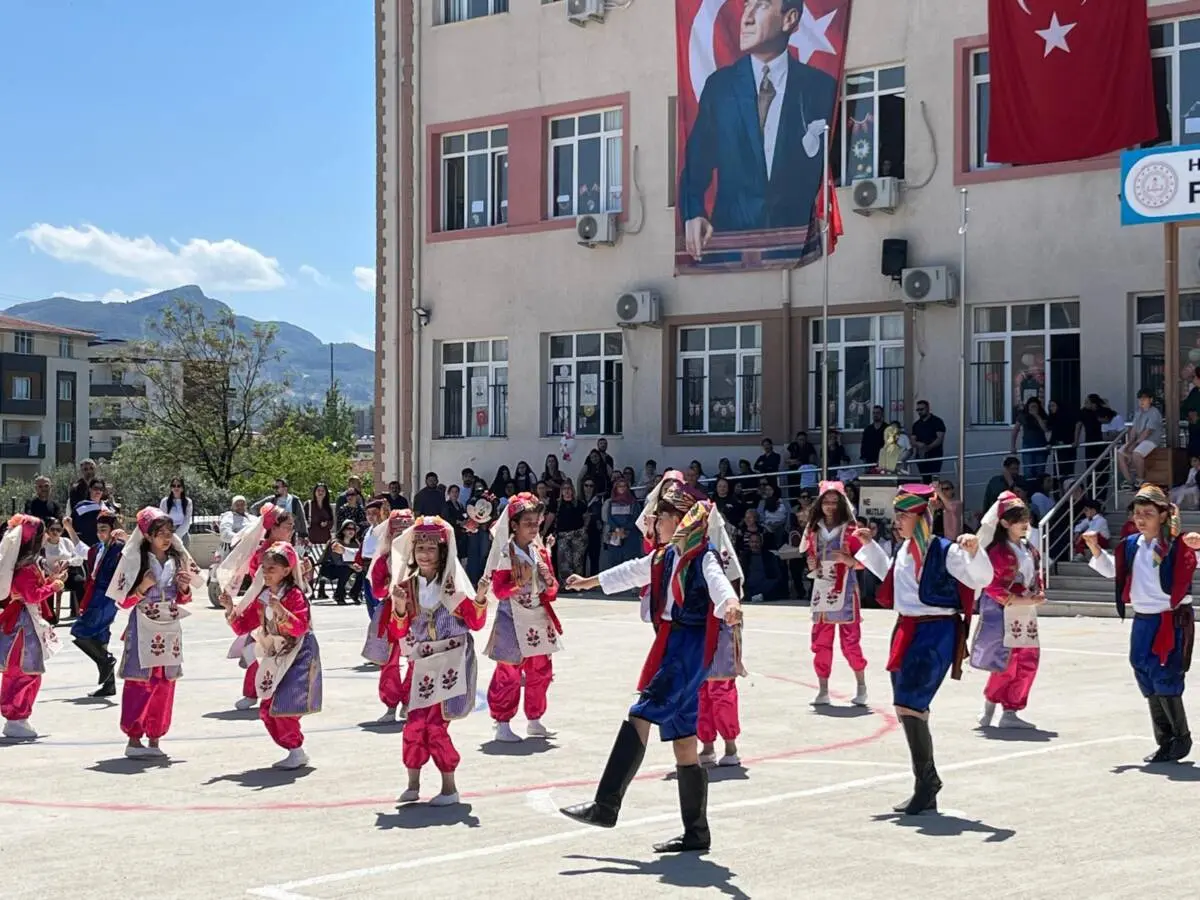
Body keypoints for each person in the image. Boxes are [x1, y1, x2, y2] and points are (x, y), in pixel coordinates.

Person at [560, 482, 742, 853]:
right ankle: (697, 832)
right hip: (673, 646)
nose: (654, 522)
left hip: (687, 649)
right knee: (684, 743)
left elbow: (720, 583)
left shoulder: (701, 555)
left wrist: (732, 604)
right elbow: (631, 571)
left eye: (660, 517)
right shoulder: (667, 556)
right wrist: (588, 581)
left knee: (640, 713)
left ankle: (606, 804)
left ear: (678, 520)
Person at [854, 484, 994, 815]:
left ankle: (926, 784)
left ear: (920, 518)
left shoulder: (946, 551)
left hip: (935, 631)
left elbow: (982, 579)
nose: (897, 521)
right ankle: (926, 783)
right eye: (897, 515)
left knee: (910, 703)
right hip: (906, 629)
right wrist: (869, 546)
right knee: (906, 706)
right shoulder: (904, 552)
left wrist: (975, 551)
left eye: (903, 515)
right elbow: (892, 579)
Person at [678, 0, 836, 259]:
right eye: (746, 5)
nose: (746, 18)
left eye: (761, 5)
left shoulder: (819, 88)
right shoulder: (720, 88)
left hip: (798, 245)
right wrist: (693, 211)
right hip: (731, 245)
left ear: (789, 19)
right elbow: (696, 163)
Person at [1084, 484, 1200, 763]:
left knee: (1165, 674)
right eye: (1137, 513)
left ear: (1163, 515)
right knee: (1142, 670)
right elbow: (1116, 572)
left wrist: (1197, 546)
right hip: (1143, 619)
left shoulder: (1177, 544)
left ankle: (1180, 738)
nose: (1141, 518)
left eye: (1148, 512)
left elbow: (1192, 561)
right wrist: (1096, 549)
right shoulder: (1131, 544)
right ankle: (1164, 740)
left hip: (1169, 619)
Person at [388, 516, 487, 806]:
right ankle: (413, 783)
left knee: (436, 726)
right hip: (424, 662)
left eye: (431, 548)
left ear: (443, 552)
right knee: (414, 725)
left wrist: (479, 598)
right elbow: (398, 631)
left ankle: (449, 787)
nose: (425, 554)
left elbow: (475, 623)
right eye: (420, 548)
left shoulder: (452, 585)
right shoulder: (406, 587)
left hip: (453, 659)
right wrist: (399, 606)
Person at [108, 508, 202, 759]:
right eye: (160, 533)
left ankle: (155, 737)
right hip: (143, 623)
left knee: (165, 681)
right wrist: (142, 587)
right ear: (148, 536)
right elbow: (122, 602)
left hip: (169, 625)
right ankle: (134, 737)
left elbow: (186, 596)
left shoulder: (177, 559)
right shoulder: (135, 561)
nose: (166, 537)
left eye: (169, 532)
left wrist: (183, 587)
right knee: (141, 680)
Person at [222, 542, 322, 770]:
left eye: (271, 568)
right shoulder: (264, 596)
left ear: (286, 570)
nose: (266, 572)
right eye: (263, 568)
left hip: (299, 654)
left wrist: (281, 611)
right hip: (276, 654)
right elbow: (243, 626)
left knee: (283, 706)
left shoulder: (295, 595)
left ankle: (296, 750)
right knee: (267, 707)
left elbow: (299, 628)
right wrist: (230, 608)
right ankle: (294, 749)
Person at [482, 493, 562, 743]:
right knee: (509, 671)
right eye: (527, 522)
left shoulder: (540, 552)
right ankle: (502, 721)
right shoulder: (506, 553)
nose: (533, 527)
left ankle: (535, 719)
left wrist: (550, 583)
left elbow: (552, 589)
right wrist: (520, 584)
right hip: (512, 617)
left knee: (541, 670)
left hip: (538, 616)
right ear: (514, 525)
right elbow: (499, 590)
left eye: (536, 522)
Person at [971, 492, 1046, 730]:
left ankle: (1012, 710)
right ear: (1004, 523)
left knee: (1028, 661)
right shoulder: (997, 551)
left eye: (1026, 519)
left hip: (1025, 611)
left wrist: (1038, 592)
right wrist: (1020, 599)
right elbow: (991, 586)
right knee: (1006, 662)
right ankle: (990, 705)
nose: (1025, 525)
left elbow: (1036, 575)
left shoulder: (1029, 549)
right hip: (1004, 612)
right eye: (1019, 520)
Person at [215, 503, 298, 711]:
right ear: (274, 527)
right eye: (287, 526)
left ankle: (275, 692)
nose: (291, 531)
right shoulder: (264, 551)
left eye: (292, 526)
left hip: (285, 603)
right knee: (257, 649)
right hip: (264, 603)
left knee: (281, 649)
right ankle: (255, 691)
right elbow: (256, 582)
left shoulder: (285, 550)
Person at [800, 482, 868, 707]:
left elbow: (865, 562)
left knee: (850, 642)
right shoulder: (813, 529)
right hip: (822, 588)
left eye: (834, 502)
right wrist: (811, 563)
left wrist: (848, 561)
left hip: (847, 590)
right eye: (826, 502)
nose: (830, 506)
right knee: (820, 641)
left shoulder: (852, 530)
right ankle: (823, 689)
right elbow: (812, 560)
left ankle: (861, 686)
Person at [0, 515, 64, 739]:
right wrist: (53, 587)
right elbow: (31, 595)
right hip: (24, 626)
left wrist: (49, 581)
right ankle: (16, 716)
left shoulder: (22, 565)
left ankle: (17, 716)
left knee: (19, 671)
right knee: (25, 671)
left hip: (21, 622)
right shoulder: (26, 567)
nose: (46, 536)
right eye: (42, 532)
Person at [363, 509, 415, 723]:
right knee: (389, 660)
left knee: (417, 658)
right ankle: (391, 703)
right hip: (390, 613)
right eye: (397, 532)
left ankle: (410, 700)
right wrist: (388, 585)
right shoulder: (383, 560)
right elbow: (376, 590)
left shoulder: (421, 556)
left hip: (415, 613)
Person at [71, 510, 124, 697]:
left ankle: (107, 661)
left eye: (104, 529)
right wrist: (70, 528)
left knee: (79, 630)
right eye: (98, 530)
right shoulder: (97, 548)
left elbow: (138, 551)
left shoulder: (121, 549)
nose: (101, 533)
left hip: (108, 597)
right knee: (101, 638)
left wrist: (125, 536)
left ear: (112, 529)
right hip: (95, 595)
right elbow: (81, 550)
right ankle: (109, 684)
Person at [41, 518, 85, 622]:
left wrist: (68, 561)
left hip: (67, 574)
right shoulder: (43, 544)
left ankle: (83, 612)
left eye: (58, 530)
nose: (55, 532)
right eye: (52, 529)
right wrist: (50, 571)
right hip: (49, 575)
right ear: (47, 530)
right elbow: (38, 560)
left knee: (80, 582)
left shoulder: (67, 542)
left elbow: (79, 558)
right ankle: (50, 616)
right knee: (46, 586)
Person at [1119, 390, 1164, 488]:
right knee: (1120, 453)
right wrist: (1129, 443)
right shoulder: (1138, 412)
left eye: (1145, 399)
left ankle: (1140, 479)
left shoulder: (1154, 412)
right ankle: (1130, 481)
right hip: (1138, 440)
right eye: (1140, 399)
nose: (1142, 401)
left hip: (1151, 440)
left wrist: (1135, 444)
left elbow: (1148, 432)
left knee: (1136, 453)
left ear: (1151, 400)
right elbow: (1134, 429)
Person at [600, 476, 643, 572]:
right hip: (615, 536)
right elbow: (609, 518)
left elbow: (635, 518)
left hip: (630, 536)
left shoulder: (634, 503)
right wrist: (617, 529)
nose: (622, 488)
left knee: (630, 565)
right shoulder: (611, 502)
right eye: (619, 486)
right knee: (615, 566)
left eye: (624, 486)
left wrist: (625, 529)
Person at [553, 481, 588, 581]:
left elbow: (586, 516)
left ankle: (578, 583)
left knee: (578, 560)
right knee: (564, 560)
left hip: (578, 535)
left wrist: (585, 528)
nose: (567, 491)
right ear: (561, 491)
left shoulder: (579, 503)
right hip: (563, 535)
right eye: (564, 489)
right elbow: (552, 517)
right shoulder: (558, 504)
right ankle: (566, 584)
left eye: (569, 488)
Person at [323, 520, 364, 604]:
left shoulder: (355, 543)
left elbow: (359, 557)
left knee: (362, 571)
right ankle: (339, 595)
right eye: (349, 528)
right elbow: (337, 561)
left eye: (353, 529)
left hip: (349, 566)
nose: (351, 531)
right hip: (330, 567)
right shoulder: (336, 542)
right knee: (345, 570)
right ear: (343, 530)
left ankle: (354, 593)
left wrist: (357, 566)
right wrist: (350, 565)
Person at [1011, 397, 1051, 481]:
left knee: (1040, 473)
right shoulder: (1023, 415)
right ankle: (1029, 492)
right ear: (1028, 406)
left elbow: (1045, 429)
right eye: (1031, 406)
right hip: (1027, 446)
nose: (1033, 408)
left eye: (1035, 406)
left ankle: (1038, 491)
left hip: (1041, 446)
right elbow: (1015, 431)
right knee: (1028, 472)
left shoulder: (1043, 415)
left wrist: (1036, 416)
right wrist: (1013, 446)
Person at [66, 478, 113, 548]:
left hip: (104, 548)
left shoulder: (108, 508)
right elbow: (71, 526)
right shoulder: (81, 507)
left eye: (101, 489)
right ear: (90, 489)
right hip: (84, 547)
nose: (98, 491)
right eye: (95, 488)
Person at [911, 401, 947, 481]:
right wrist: (918, 444)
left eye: (921, 409)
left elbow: (940, 438)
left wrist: (927, 448)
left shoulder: (937, 421)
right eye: (918, 410)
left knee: (934, 479)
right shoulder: (916, 424)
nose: (919, 412)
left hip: (935, 455)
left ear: (927, 409)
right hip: (921, 456)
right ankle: (926, 493)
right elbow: (913, 440)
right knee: (925, 478)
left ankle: (935, 493)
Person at [158, 477, 194, 548]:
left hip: (183, 534)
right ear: (171, 488)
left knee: (183, 558)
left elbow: (187, 521)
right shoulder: (165, 501)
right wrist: (169, 534)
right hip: (168, 533)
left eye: (179, 486)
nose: (176, 488)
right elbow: (162, 519)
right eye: (173, 486)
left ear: (182, 488)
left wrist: (175, 536)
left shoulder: (188, 502)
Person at [1047, 399, 1078, 479]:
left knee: (1067, 473)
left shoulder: (1067, 417)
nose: (1051, 408)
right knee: (1057, 473)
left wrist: (1071, 441)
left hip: (1068, 449)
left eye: (1053, 405)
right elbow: (1053, 433)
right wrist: (1050, 443)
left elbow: (1070, 431)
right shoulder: (1053, 418)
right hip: (1059, 450)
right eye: (1050, 406)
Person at [305, 483, 335, 547]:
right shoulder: (309, 505)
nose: (320, 492)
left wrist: (326, 523)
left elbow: (332, 523)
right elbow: (302, 522)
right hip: (311, 541)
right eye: (318, 490)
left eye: (323, 491)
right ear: (315, 492)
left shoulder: (328, 507)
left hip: (325, 541)